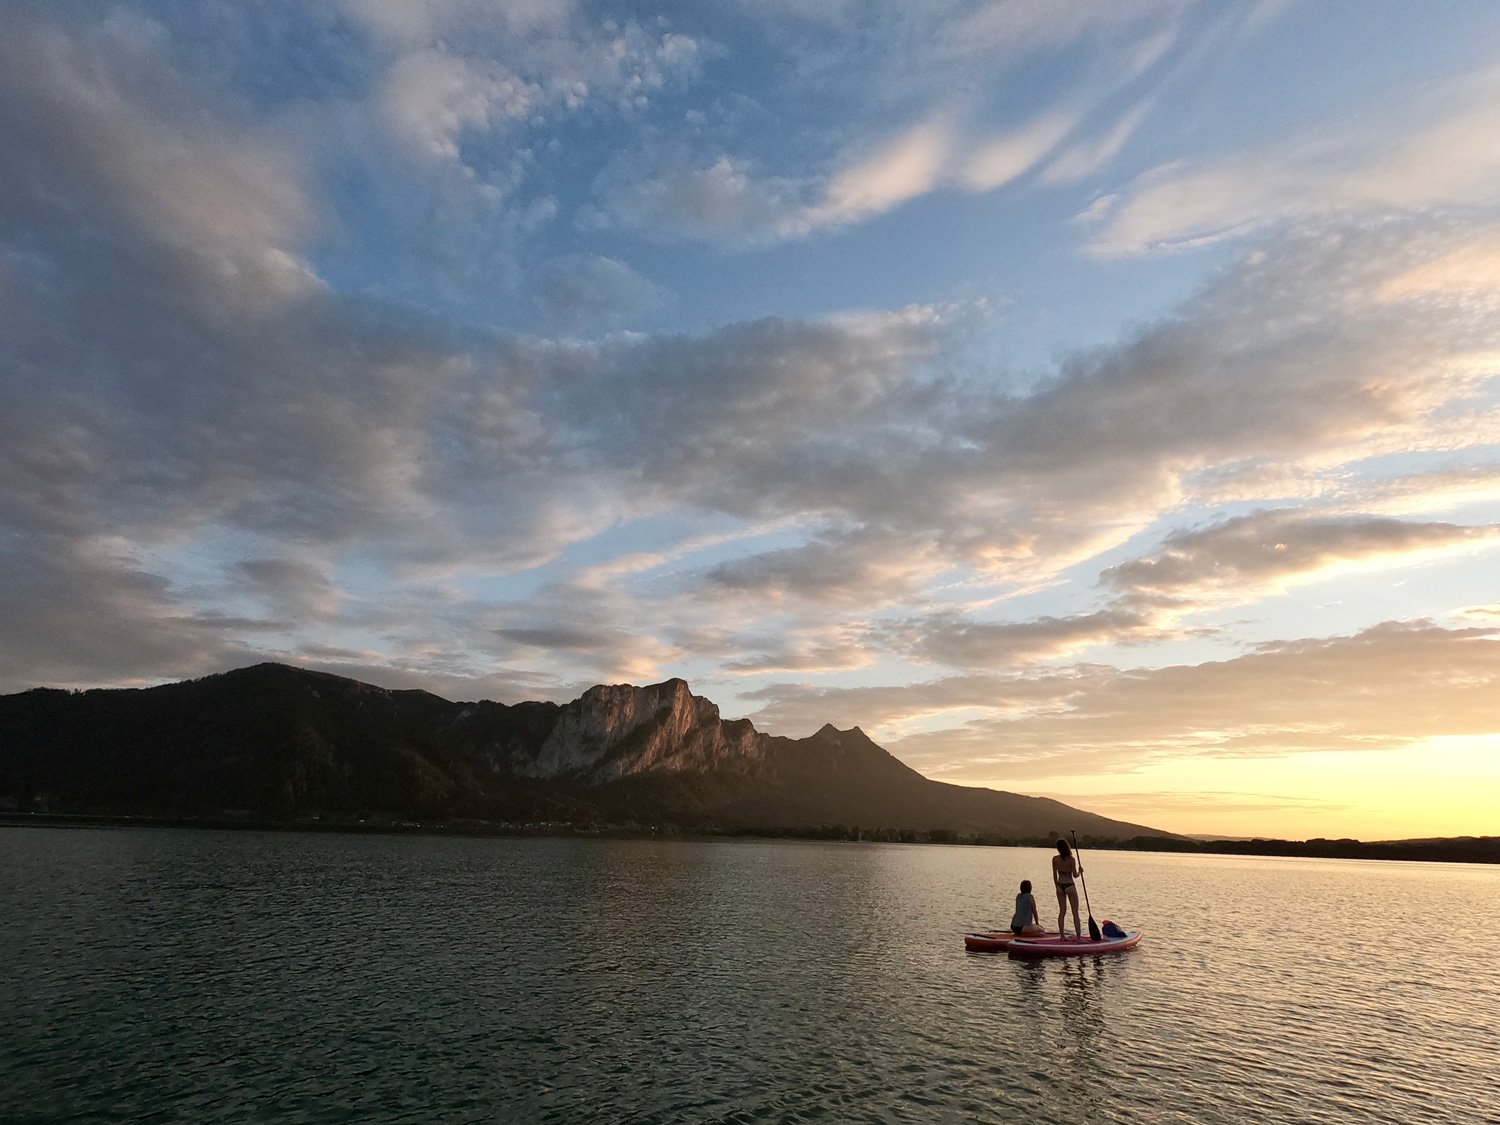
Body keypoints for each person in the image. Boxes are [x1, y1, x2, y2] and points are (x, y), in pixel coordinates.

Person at [1052, 838, 1083, 939]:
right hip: (1070, 885)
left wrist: (1056, 886)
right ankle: (1079, 938)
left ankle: (1062, 936)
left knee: (1062, 912)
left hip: (1060, 886)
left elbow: (1054, 875)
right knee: (1075, 912)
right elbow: (1075, 875)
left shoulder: (1055, 859)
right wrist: (1080, 872)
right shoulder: (1072, 860)